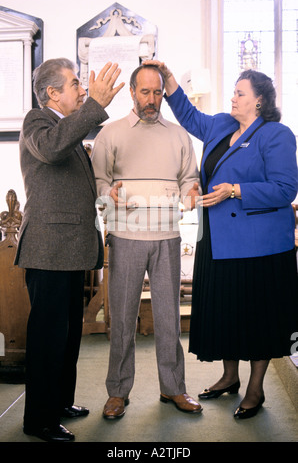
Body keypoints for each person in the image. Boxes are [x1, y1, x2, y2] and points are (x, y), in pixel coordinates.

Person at [145, 60, 298, 419]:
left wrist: (235, 190)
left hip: (260, 244)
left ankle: (255, 389)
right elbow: (188, 114)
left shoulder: (276, 134)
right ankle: (229, 377)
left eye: (239, 93)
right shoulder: (221, 125)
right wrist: (168, 79)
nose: (232, 97)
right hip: (217, 238)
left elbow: (285, 188)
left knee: (258, 316)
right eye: (233, 91)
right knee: (228, 311)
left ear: (258, 101)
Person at [15, 58, 124, 441]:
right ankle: (39, 421)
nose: (82, 90)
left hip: (70, 249)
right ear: (52, 93)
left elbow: (71, 182)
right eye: (76, 84)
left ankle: (59, 402)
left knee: (67, 336)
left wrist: (102, 192)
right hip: (48, 251)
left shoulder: (68, 130)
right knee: (48, 338)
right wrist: (95, 104)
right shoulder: (37, 121)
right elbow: (53, 148)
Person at [92, 64, 203, 419]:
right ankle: (117, 393)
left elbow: (189, 178)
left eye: (158, 93)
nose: (152, 100)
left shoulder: (178, 134)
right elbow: (97, 183)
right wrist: (110, 192)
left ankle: (174, 389)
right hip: (125, 237)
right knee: (122, 317)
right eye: (145, 92)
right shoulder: (110, 134)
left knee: (168, 316)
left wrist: (190, 192)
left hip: (168, 236)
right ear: (132, 92)